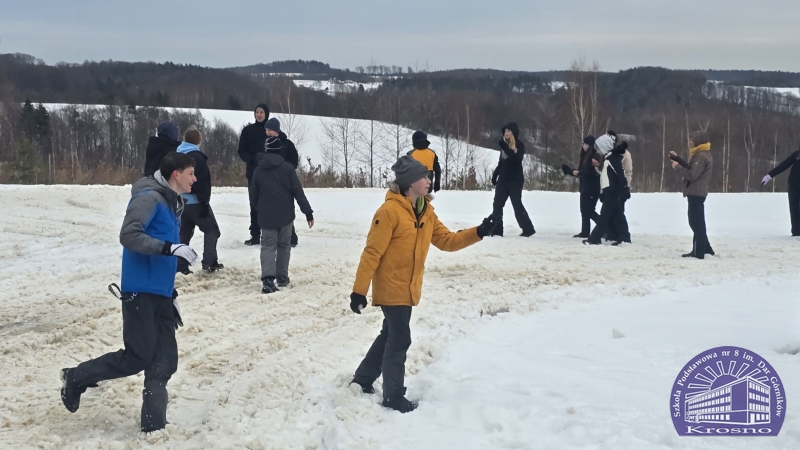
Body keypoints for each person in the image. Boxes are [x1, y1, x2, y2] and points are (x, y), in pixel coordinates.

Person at [60, 152, 198, 433]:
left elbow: (161, 245)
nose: (195, 178)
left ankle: (153, 425)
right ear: (176, 174)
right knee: (139, 356)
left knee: (164, 360)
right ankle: (76, 377)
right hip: (140, 291)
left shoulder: (174, 203)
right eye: (191, 173)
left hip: (161, 293)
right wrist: (169, 248)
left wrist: (172, 280)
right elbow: (129, 234)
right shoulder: (149, 197)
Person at [349, 156, 494, 413]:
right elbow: (371, 253)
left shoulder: (426, 211)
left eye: (429, 176)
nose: (429, 180)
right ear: (409, 182)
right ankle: (393, 396)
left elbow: (447, 241)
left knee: (389, 335)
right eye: (424, 176)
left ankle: (362, 379)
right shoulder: (388, 212)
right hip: (391, 287)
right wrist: (359, 291)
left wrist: (479, 231)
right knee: (400, 339)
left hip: (409, 287)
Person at [249, 128, 314, 293]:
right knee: (284, 245)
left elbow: (253, 196)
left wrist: (260, 209)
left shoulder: (258, 170)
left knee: (267, 246)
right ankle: (282, 277)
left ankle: (268, 280)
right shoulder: (287, 169)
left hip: (266, 216)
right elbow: (298, 192)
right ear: (279, 150)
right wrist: (308, 212)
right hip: (286, 215)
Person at [177, 126, 223, 274]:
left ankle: (180, 266)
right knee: (212, 229)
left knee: (184, 233)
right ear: (199, 141)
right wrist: (204, 203)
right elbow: (202, 182)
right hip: (196, 201)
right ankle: (209, 262)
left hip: (181, 200)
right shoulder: (197, 158)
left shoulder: (176, 155)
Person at [669, 130, 714, 259]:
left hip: (696, 192)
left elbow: (692, 174)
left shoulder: (701, 156)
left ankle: (698, 252)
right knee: (698, 221)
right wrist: (677, 159)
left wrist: (676, 167)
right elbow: (691, 168)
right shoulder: (701, 154)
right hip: (697, 192)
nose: (690, 143)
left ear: (698, 141)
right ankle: (706, 249)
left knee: (695, 222)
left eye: (692, 140)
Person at [489, 123, 535, 237]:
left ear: (513, 132)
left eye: (508, 130)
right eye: (505, 131)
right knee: (497, 205)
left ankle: (528, 229)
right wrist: (495, 175)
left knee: (517, 205)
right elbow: (501, 163)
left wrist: (505, 147)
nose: (506, 133)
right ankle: (497, 230)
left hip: (515, 180)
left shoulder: (520, 145)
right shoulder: (504, 146)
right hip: (503, 180)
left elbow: (516, 159)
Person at [583, 134, 629, 246]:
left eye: (599, 147)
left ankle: (594, 239)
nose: (597, 149)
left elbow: (621, 174)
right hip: (610, 190)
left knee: (604, 216)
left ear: (604, 146)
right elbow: (606, 176)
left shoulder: (613, 158)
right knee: (618, 216)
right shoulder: (608, 158)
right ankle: (624, 238)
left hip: (613, 191)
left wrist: (625, 189)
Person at [264, 118, 302, 248]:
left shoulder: (287, 144)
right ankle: (267, 237)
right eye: (267, 130)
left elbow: (294, 161)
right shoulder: (264, 144)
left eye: (270, 130)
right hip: (268, 181)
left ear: (277, 131)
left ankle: (291, 236)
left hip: (285, 181)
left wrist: (283, 168)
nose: (268, 132)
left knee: (286, 209)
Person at [238, 103, 270, 245]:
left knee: (270, 203)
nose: (259, 114)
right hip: (253, 172)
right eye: (257, 112)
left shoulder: (271, 131)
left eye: (262, 112)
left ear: (266, 114)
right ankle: (255, 235)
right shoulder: (247, 130)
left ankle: (271, 234)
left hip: (270, 173)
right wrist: (251, 160)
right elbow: (242, 151)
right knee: (254, 204)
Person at [563, 135, 601, 238]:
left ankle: (604, 227)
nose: (584, 146)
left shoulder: (594, 156)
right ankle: (585, 231)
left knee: (589, 211)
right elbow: (581, 172)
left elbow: (590, 172)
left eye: (585, 144)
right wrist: (571, 171)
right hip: (584, 188)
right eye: (583, 144)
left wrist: (575, 172)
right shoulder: (584, 156)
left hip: (592, 188)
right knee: (584, 210)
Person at [761, 146, 800, 236]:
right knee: (794, 209)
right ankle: (796, 232)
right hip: (793, 186)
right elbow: (784, 165)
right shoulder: (796, 155)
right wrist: (769, 176)